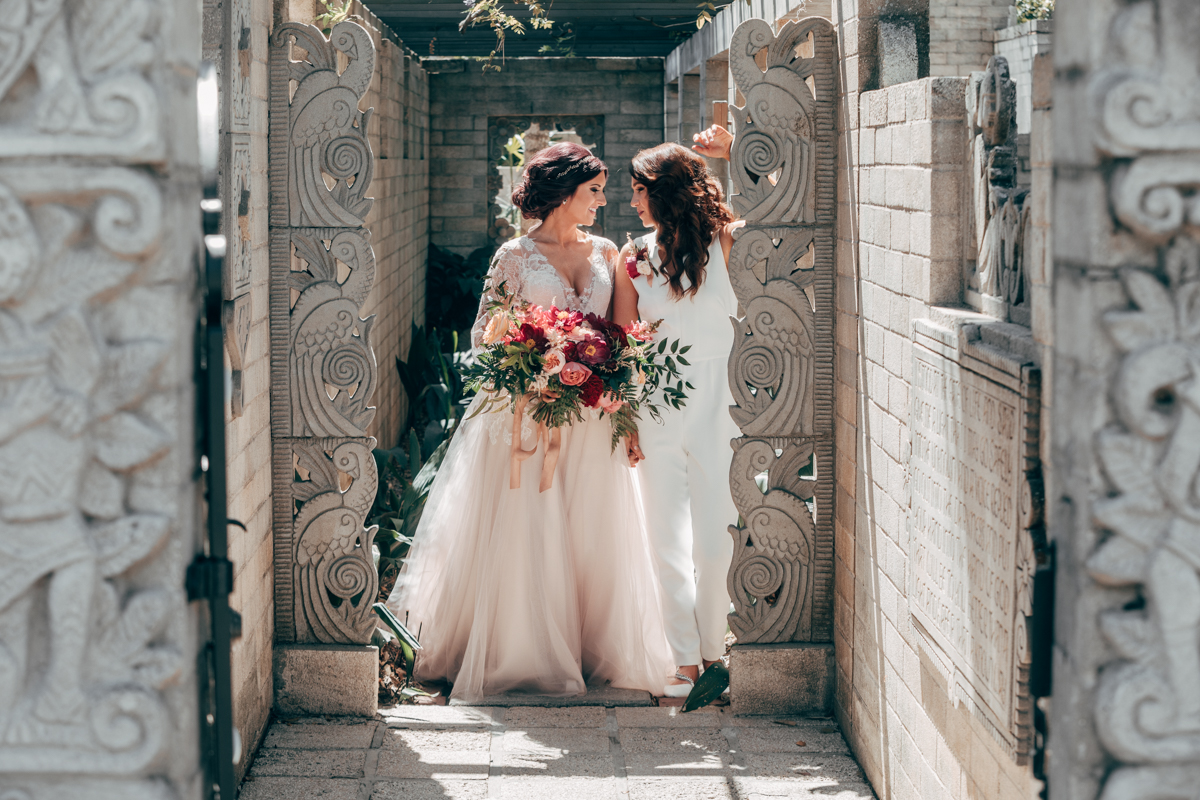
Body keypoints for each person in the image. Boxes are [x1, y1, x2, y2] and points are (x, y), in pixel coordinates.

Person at [387, 142, 672, 702]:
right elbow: (483, 334)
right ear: (565, 193)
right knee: (529, 526)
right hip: (525, 412)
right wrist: (539, 356)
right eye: (593, 191)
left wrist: (607, 381)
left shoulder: (608, 252)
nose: (601, 202)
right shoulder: (513, 256)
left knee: (590, 530)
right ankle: (522, 650)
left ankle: (595, 648)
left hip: (591, 414)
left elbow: (620, 333)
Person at [613, 136, 743, 698]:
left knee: (715, 541)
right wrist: (627, 420)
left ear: (665, 193)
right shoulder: (633, 258)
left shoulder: (727, 241)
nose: (633, 202)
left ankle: (715, 651)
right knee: (666, 540)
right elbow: (623, 342)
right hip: (657, 402)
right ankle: (686, 662)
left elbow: (779, 217)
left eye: (640, 191)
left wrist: (735, 153)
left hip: (722, 405)